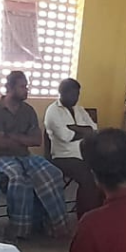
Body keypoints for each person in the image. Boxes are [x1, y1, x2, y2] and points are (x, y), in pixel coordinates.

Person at [0, 71, 68, 239]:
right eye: (22, 86)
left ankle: (57, 225)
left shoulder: (28, 110)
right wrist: (24, 139)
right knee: (19, 179)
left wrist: (13, 136)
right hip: (3, 158)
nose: (26, 90)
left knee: (54, 173)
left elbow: (37, 140)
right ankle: (19, 229)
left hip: (25, 156)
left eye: (26, 86)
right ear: (10, 88)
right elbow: (0, 143)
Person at [44, 78, 100, 220]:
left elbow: (94, 129)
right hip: (63, 157)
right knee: (86, 177)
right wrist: (84, 131)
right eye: (72, 94)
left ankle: (99, 212)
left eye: (77, 94)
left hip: (86, 153)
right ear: (62, 93)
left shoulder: (79, 109)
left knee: (106, 171)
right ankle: (85, 218)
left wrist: (74, 128)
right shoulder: (53, 111)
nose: (76, 98)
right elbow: (66, 136)